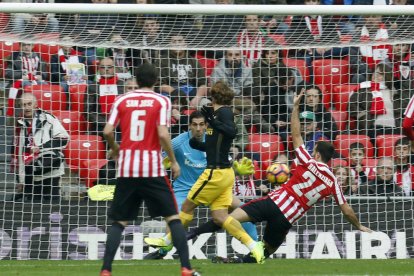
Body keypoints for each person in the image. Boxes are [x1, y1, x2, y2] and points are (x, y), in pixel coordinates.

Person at [193, 89, 372, 264]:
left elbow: (295, 134)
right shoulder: (333, 181)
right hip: (287, 218)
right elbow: (346, 209)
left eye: (314, 150)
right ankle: (240, 263)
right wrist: (359, 226)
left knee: (227, 218)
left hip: (272, 203)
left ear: (317, 155)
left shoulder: (307, 161)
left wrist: (295, 108)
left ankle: (191, 235)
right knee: (266, 251)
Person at [144, 81, 266, 262]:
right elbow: (209, 149)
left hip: (213, 177)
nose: (200, 128)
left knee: (233, 208)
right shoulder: (180, 141)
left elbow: (229, 134)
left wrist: (235, 165)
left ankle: (167, 242)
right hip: (188, 185)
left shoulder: (219, 116)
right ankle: (254, 247)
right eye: (196, 124)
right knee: (218, 216)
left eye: (203, 124)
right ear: (190, 125)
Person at [99, 63, 199, 276]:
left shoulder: (121, 99)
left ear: (136, 79)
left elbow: (107, 130)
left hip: (127, 169)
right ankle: (186, 268)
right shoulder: (161, 100)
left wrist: (116, 149)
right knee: (172, 218)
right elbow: (163, 134)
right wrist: (173, 161)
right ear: (155, 81)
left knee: (119, 222)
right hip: (152, 169)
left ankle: (106, 270)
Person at [12, 93, 69, 202]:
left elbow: (64, 138)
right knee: (32, 211)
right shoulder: (19, 124)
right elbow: (17, 153)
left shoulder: (48, 118)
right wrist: (20, 180)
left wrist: (41, 147)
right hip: (29, 173)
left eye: (29, 104)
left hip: (49, 172)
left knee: (53, 208)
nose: (27, 107)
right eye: (23, 105)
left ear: (36, 104)